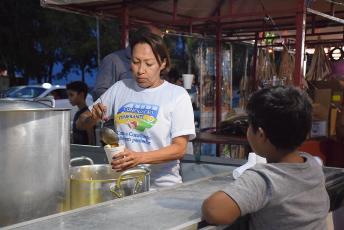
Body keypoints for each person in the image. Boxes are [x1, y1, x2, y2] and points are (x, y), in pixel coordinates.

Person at [77, 32, 195, 187]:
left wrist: (139, 158)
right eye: (135, 62)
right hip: (122, 184)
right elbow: (80, 124)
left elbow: (179, 149)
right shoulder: (120, 87)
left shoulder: (177, 95)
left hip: (160, 187)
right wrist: (92, 117)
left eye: (149, 64)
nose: (140, 70)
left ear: (163, 63)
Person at [202, 86, 330, 229]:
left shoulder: (265, 179)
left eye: (249, 125)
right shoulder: (312, 165)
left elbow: (214, 211)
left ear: (261, 135)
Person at [92, 25, 163, 100]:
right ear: (144, 40)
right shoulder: (113, 60)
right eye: (157, 41)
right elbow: (99, 92)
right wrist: (124, 104)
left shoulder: (157, 61)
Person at [66, 81, 95, 145]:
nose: (69, 98)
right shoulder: (78, 113)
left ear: (81, 95)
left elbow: (91, 139)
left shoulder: (86, 114)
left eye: (71, 95)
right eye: (68, 95)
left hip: (84, 152)